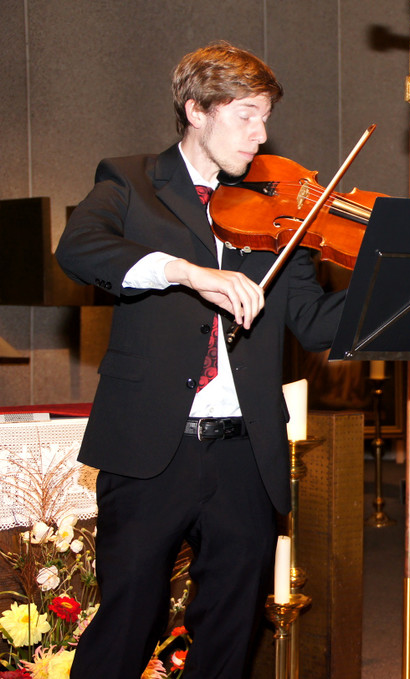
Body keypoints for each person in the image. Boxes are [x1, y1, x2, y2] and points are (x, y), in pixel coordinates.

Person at [55, 41, 347, 679]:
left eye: (265, 116)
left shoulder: (280, 208)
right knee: (128, 624)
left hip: (246, 450)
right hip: (150, 445)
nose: (261, 133)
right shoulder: (130, 180)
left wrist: (393, 291)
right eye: (246, 115)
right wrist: (187, 271)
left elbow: (312, 318)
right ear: (196, 110)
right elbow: (79, 249)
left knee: (230, 634)